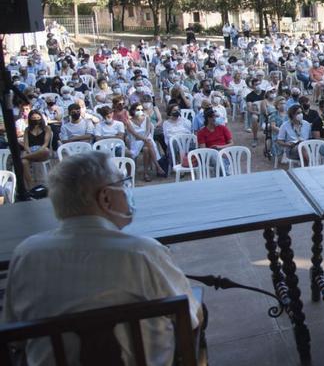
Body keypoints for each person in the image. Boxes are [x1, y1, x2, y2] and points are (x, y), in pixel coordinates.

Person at [2, 151, 202, 365]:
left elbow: (16, 337)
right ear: (105, 198)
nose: (127, 191)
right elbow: (190, 319)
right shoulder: (142, 253)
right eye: (123, 183)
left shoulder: (26, 255)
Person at [126, 103, 164, 181]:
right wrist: (144, 139)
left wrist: (145, 138)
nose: (140, 111)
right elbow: (135, 134)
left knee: (146, 149)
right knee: (149, 143)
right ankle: (158, 166)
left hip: (146, 139)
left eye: (141, 110)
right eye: (138, 110)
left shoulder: (146, 118)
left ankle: (145, 173)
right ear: (133, 110)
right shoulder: (129, 122)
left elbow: (147, 131)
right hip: (136, 141)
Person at [20, 110, 52, 190]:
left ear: (41, 118)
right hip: (31, 151)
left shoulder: (46, 128)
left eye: (38, 117)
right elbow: (26, 144)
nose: (36, 119)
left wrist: (39, 150)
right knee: (24, 162)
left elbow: (46, 143)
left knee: (46, 151)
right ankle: (30, 185)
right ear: (30, 119)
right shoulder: (27, 129)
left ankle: (24, 157)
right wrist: (29, 151)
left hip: (42, 151)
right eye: (34, 118)